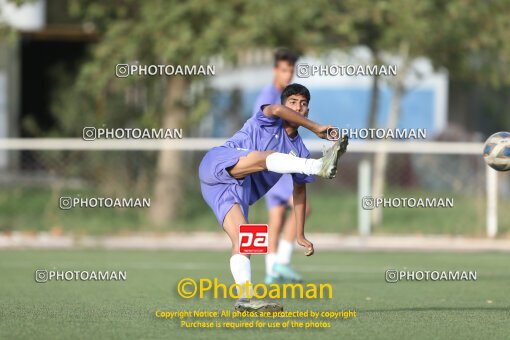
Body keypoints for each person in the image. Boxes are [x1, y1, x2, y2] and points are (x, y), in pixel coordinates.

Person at [199, 83, 348, 312]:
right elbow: (277, 111)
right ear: (284, 104)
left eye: (304, 104)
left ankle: (245, 299)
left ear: (307, 109)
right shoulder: (267, 118)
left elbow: (299, 190)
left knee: (245, 240)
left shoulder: (298, 149)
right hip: (217, 164)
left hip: (234, 190)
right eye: (293, 102)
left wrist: (300, 233)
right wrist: (316, 127)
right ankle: (319, 165)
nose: (299, 107)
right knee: (268, 157)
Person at [252, 48, 309, 284]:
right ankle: (282, 262)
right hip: (273, 163)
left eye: (291, 70)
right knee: (303, 208)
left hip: (271, 163)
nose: (288, 74)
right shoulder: (270, 94)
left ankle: (270, 271)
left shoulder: (284, 94)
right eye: (284, 70)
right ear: (276, 70)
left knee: (275, 218)